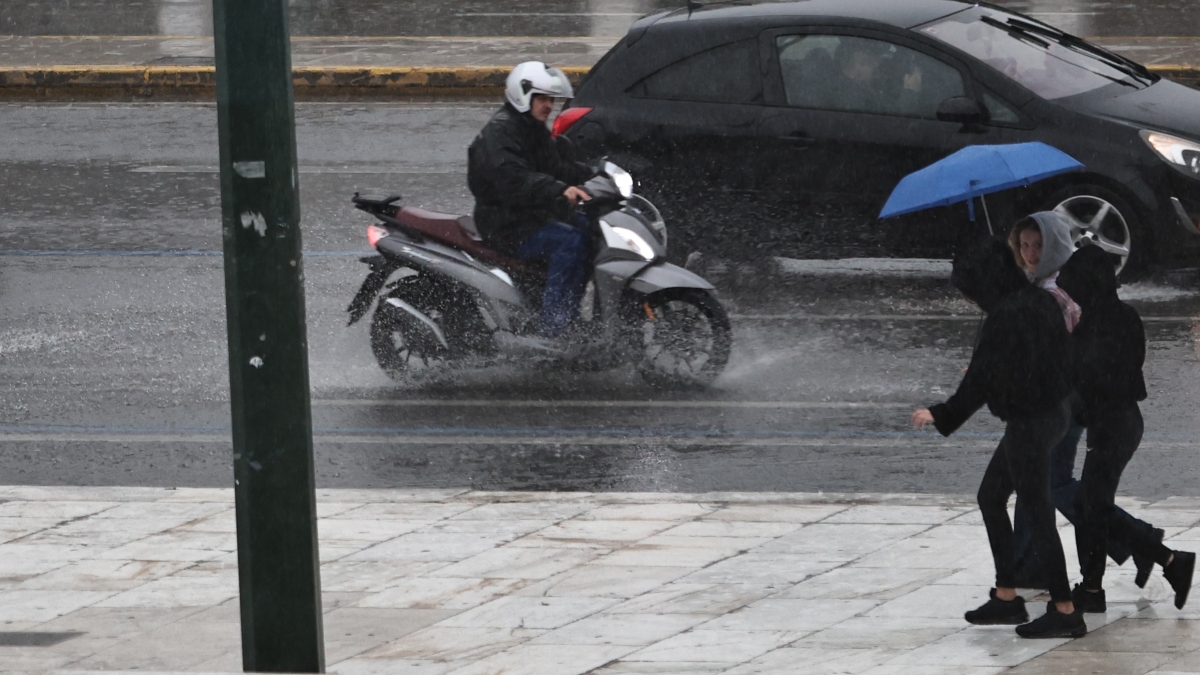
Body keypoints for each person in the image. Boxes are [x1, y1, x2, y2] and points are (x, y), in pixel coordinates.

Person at [912, 238, 1085, 639]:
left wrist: (940, 413)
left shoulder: (1004, 318)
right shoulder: (1038, 300)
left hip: (1031, 422)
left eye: (969, 292)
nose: (970, 301)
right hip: (1054, 412)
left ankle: (1064, 609)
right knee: (991, 496)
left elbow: (978, 384)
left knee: (1038, 512)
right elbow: (1048, 358)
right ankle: (1006, 597)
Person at [1007, 213, 1162, 590]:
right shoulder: (1044, 283)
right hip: (1054, 400)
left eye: (1038, 245)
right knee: (1039, 480)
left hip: (1059, 403)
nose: (1030, 253)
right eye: (1024, 245)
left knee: (1047, 481)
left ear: (1057, 245)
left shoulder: (1060, 288)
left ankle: (1138, 541)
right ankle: (1031, 564)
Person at [1056, 245, 1196, 611]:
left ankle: (1168, 559)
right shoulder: (1117, 316)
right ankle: (1093, 589)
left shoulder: (1099, 323)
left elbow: (1094, 374)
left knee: (1093, 506)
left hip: (1114, 425)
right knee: (1091, 505)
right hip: (1118, 422)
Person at [467, 61, 594, 338]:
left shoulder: (533, 130)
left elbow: (558, 167)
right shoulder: (500, 132)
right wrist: (559, 189)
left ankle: (570, 313)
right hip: (506, 222)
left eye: (551, 99)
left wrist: (597, 175)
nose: (548, 105)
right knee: (571, 242)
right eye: (542, 98)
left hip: (530, 215)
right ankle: (555, 327)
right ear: (523, 95)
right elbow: (513, 178)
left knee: (593, 229)